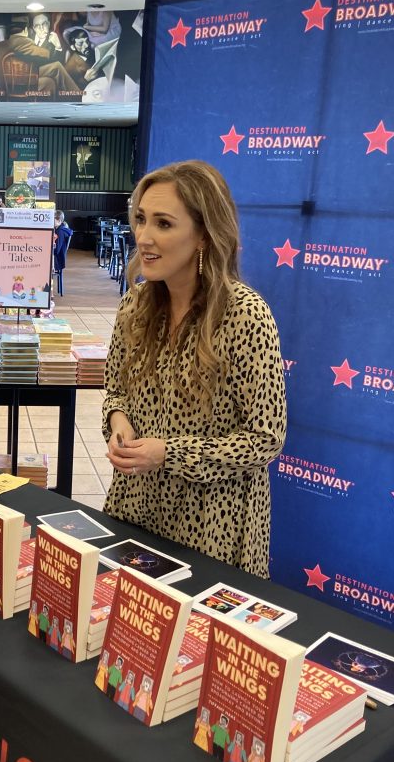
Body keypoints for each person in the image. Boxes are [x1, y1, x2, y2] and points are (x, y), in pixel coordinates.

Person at [103, 160, 286, 578]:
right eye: (141, 219)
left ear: (204, 235)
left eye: (164, 224)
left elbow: (265, 439)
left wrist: (168, 453)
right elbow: (115, 390)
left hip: (212, 529)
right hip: (136, 508)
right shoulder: (133, 306)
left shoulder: (245, 317)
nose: (144, 237)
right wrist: (118, 423)